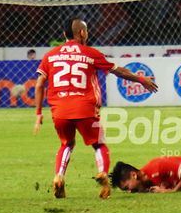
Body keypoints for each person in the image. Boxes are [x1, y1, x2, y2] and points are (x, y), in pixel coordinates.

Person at [34, 17, 158, 199]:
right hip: (85, 108)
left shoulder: (50, 55)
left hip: (59, 110)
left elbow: (39, 85)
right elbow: (118, 71)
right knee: (99, 144)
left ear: (63, 35)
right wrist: (141, 79)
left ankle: (59, 177)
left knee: (66, 144)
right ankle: (102, 172)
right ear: (82, 33)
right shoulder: (90, 53)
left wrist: (38, 113)